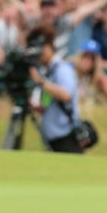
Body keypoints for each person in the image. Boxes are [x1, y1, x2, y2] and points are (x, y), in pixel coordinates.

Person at [26, 24, 84, 153]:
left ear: (48, 47)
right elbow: (49, 100)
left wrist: (40, 82)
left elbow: (66, 95)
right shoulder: (48, 71)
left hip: (66, 137)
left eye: (38, 49)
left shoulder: (62, 69)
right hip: (54, 138)